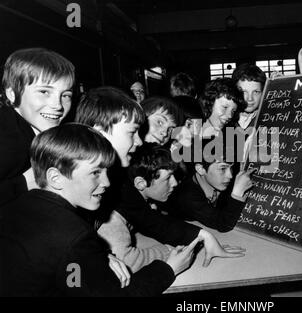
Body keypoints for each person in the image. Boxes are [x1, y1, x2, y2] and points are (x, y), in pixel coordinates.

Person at [0, 124, 198, 296]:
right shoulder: (73, 236)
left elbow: (65, 270)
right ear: (55, 177)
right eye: (95, 173)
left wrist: (100, 258)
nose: (106, 182)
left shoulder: (17, 206)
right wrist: (169, 268)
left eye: (106, 171)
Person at [75, 87, 246, 268]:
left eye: (171, 129)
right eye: (158, 123)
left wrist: (201, 236)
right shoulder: (113, 177)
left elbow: (148, 219)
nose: (165, 133)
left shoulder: (128, 169)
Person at [0, 47, 75, 206]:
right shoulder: (10, 138)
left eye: (66, 95)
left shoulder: (29, 128)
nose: (57, 105)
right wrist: (22, 183)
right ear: (12, 94)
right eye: (44, 92)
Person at [97, 144, 183, 273]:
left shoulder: (142, 201)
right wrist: (167, 250)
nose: (175, 183)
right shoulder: (113, 217)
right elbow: (128, 261)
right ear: (140, 183)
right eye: (168, 178)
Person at [168, 136, 255, 232]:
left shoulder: (218, 182)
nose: (230, 175)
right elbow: (222, 225)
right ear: (200, 169)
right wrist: (237, 193)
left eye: (231, 167)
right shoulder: (188, 196)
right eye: (222, 169)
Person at [231, 63, 266, 134]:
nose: (250, 99)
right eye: (244, 92)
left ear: (263, 92)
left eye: (256, 92)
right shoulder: (224, 119)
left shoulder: (268, 120)